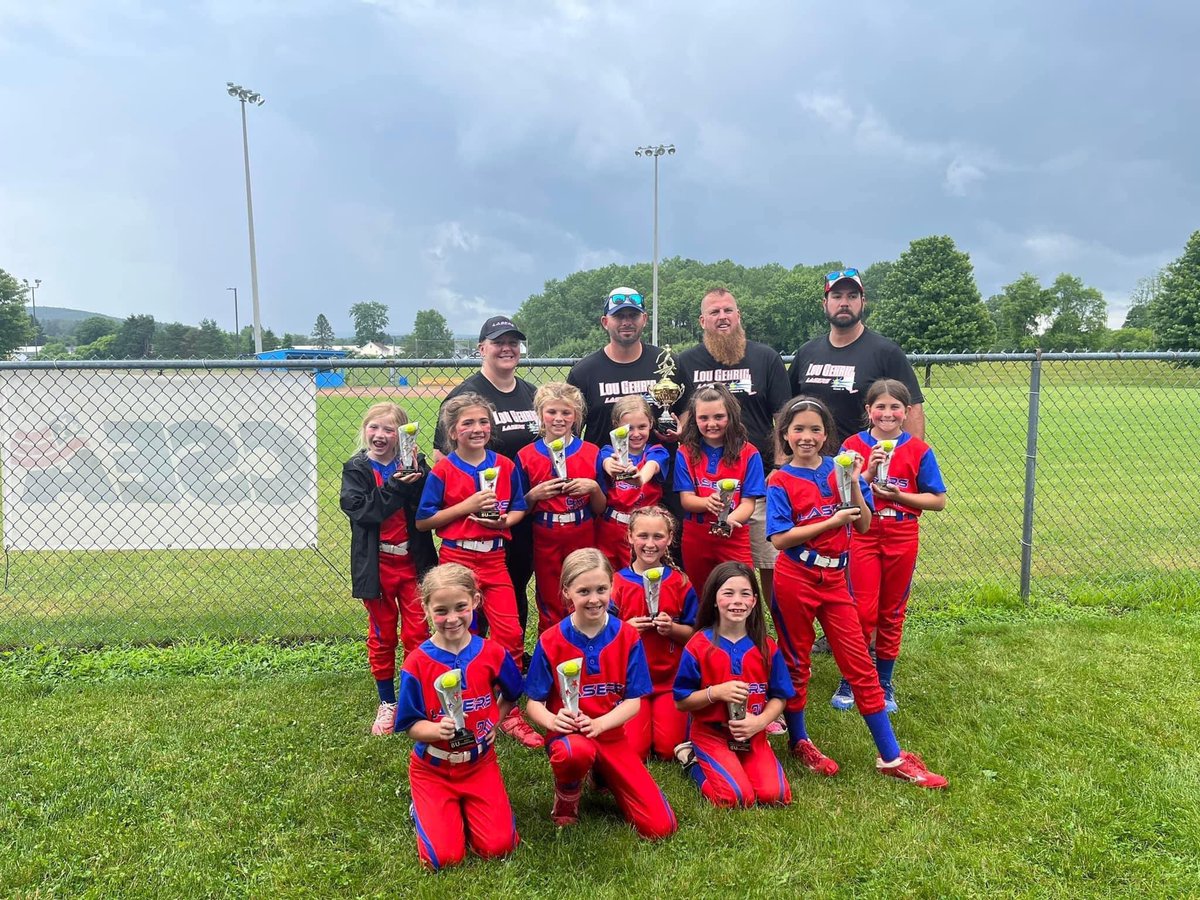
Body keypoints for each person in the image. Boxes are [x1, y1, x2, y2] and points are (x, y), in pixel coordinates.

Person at [766, 396, 948, 788]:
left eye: (815, 429)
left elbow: (863, 525)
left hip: (835, 579)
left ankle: (890, 756)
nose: (807, 436)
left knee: (860, 663)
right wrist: (832, 521)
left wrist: (853, 488)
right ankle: (799, 741)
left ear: (826, 434)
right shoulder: (779, 480)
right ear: (785, 434)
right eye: (798, 429)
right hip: (796, 577)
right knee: (797, 661)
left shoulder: (840, 467)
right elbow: (780, 538)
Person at [415, 393, 542, 749]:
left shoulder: (504, 464)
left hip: (494, 557)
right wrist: (466, 506)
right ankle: (463, 705)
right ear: (453, 431)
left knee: (511, 633)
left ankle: (508, 710)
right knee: (460, 633)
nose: (477, 428)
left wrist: (506, 521)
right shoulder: (444, 470)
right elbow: (424, 520)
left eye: (483, 422)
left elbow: (519, 506)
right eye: (468, 423)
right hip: (457, 561)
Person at [524, 548, 678, 840]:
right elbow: (534, 703)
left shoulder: (627, 636)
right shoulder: (551, 639)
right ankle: (567, 795)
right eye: (584, 591)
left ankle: (601, 773)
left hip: (610, 734)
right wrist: (553, 721)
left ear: (611, 587)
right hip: (570, 737)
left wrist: (600, 724)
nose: (594, 599)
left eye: (601, 589)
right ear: (567, 592)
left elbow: (633, 701)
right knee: (574, 753)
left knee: (660, 827)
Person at [395, 564, 523, 870]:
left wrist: (494, 719)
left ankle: (469, 810)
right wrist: (436, 730)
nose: (452, 618)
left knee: (498, 847)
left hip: (479, 764)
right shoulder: (417, 663)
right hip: (434, 768)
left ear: (475, 601)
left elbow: (513, 692)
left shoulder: (492, 653)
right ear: (426, 609)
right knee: (444, 858)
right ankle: (424, 807)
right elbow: (411, 725)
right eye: (441, 611)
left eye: (460, 607)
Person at [831, 379, 947, 713]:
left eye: (895, 407)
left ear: (906, 411)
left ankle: (884, 681)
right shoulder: (853, 445)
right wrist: (866, 474)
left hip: (901, 531)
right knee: (860, 609)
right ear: (868, 410)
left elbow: (937, 500)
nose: (887, 413)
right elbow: (839, 491)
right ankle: (853, 678)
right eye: (880, 407)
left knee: (892, 610)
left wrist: (901, 496)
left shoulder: (918, 450)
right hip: (863, 531)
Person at [673, 287, 791, 599]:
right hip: (704, 483)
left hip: (757, 479)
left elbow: (782, 418)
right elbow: (683, 416)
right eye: (714, 312)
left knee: (768, 564)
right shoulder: (686, 362)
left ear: (738, 315)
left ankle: (771, 624)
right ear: (702, 321)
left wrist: (780, 467)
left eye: (728, 310)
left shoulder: (765, 358)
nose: (722, 317)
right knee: (707, 575)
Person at [434, 316, 539, 638]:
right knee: (472, 598)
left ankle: (509, 655)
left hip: (522, 512)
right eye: (498, 342)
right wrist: (472, 505)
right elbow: (442, 457)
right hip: (479, 519)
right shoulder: (466, 395)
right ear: (482, 349)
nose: (507, 348)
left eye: (513, 342)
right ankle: (474, 655)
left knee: (514, 587)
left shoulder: (531, 394)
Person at [339, 402, 438, 735]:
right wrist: (397, 485)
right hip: (377, 565)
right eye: (374, 427)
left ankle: (414, 699)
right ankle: (387, 702)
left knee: (417, 633)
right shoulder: (357, 468)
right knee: (382, 635)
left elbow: (427, 506)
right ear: (364, 430)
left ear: (402, 436)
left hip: (412, 562)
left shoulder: (413, 466)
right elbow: (364, 511)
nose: (380, 435)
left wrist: (419, 476)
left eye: (389, 429)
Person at [672, 561, 794, 808]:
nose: (737, 601)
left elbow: (779, 696)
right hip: (712, 733)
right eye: (728, 593)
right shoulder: (698, 645)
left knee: (775, 796)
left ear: (754, 601)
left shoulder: (766, 646)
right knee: (736, 798)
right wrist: (714, 693)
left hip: (753, 734)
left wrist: (760, 722)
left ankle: (745, 762)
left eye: (745, 594)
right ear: (714, 600)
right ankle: (692, 761)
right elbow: (682, 701)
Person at [788, 268, 926, 445]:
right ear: (825, 303)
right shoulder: (807, 352)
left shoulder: (887, 352)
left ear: (863, 302)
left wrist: (912, 456)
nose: (844, 303)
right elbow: (786, 408)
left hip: (867, 459)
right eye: (837, 296)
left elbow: (912, 409)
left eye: (852, 296)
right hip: (813, 458)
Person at [609, 506, 697, 761]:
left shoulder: (680, 582)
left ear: (669, 539)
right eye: (643, 536)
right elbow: (601, 637)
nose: (650, 544)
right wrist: (625, 629)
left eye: (658, 536)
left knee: (669, 749)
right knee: (634, 750)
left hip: (669, 682)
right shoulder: (616, 583)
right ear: (630, 536)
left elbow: (695, 635)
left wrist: (673, 629)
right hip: (631, 684)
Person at [516, 382, 605, 634]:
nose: (559, 418)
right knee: (550, 594)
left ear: (576, 416)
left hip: (581, 529)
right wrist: (534, 495)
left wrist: (593, 488)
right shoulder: (526, 455)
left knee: (583, 587)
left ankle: (585, 641)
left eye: (566, 412)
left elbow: (600, 507)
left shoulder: (591, 452)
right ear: (540, 414)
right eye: (551, 412)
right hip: (546, 531)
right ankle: (552, 645)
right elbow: (518, 508)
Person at [674, 383, 766, 598]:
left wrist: (730, 520)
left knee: (740, 592)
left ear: (731, 416)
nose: (711, 424)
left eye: (719, 417)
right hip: (696, 536)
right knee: (700, 595)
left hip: (734, 535)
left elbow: (748, 503)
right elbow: (686, 500)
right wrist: (706, 503)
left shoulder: (749, 453)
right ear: (694, 419)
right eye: (703, 418)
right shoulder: (685, 452)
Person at [567, 288, 663, 446]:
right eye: (618, 316)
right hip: (603, 461)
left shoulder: (665, 363)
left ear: (644, 319)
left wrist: (678, 431)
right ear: (605, 322)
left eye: (633, 315)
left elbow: (685, 415)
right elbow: (570, 432)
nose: (626, 322)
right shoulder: (583, 372)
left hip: (658, 461)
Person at [595, 395, 670, 573]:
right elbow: (606, 461)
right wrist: (609, 465)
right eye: (629, 428)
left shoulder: (657, 452)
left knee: (639, 575)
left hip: (643, 529)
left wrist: (639, 479)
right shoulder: (608, 452)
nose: (636, 434)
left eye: (642, 427)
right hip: (610, 527)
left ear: (651, 423)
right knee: (607, 575)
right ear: (616, 426)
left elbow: (651, 467)